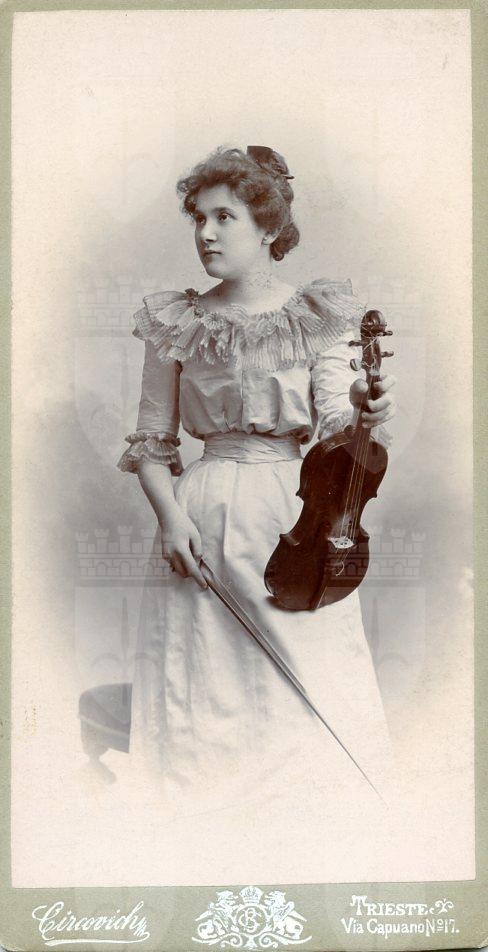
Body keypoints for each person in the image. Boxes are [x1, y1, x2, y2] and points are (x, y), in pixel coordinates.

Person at [117, 145, 396, 823]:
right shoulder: (176, 322)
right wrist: (170, 518)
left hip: (291, 508)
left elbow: (336, 420)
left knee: (307, 669)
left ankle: (312, 823)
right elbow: (152, 440)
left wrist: (365, 405)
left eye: (225, 217)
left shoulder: (317, 315)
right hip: (202, 511)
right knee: (203, 673)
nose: (205, 233)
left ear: (268, 227)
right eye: (198, 217)